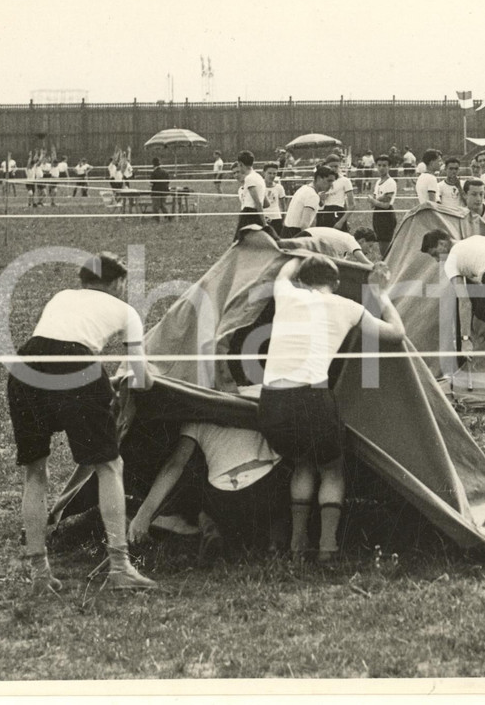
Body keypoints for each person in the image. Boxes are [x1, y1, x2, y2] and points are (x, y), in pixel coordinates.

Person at [8, 253, 157, 593]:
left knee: (35, 470)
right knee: (109, 465)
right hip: (76, 367)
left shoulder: (62, 297)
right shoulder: (126, 311)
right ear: (118, 283)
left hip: (26, 366)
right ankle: (120, 567)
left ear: (84, 280)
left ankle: (39, 572)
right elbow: (142, 379)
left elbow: (54, 345)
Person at [258, 255, 406, 561]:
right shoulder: (348, 307)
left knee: (302, 463)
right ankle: (327, 546)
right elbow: (396, 333)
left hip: (270, 403)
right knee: (331, 468)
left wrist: (301, 249)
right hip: (310, 398)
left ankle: (297, 542)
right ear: (336, 284)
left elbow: (285, 270)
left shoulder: (286, 293)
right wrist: (379, 294)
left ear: (302, 281)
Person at [128, 422, 289, 556]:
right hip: (264, 490)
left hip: (224, 500)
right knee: (288, 465)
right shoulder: (255, 397)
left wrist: (144, 514)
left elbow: (175, 464)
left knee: (192, 466)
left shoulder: (197, 412)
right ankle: (275, 539)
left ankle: (209, 526)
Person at [421, 230, 485, 356]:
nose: (437, 260)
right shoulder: (478, 238)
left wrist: (465, 339)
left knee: (477, 335)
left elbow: (464, 302)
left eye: (435, 254)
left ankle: (475, 359)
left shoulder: (451, 262)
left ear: (442, 244)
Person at [282, 165, 336, 237]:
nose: (331, 185)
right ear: (319, 178)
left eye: (332, 182)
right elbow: (304, 225)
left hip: (287, 232)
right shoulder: (312, 195)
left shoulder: (305, 188)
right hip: (296, 234)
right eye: (329, 181)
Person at [291, 226, 378, 265]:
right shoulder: (351, 240)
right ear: (362, 241)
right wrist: (377, 268)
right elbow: (363, 260)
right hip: (307, 237)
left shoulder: (344, 248)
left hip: (309, 238)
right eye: (370, 246)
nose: (370, 250)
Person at [234, 150, 269, 239]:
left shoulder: (249, 178)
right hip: (254, 213)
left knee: (239, 242)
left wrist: (264, 222)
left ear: (241, 164)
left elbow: (258, 202)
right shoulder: (258, 177)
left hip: (249, 215)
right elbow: (265, 203)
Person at [317, 154, 354, 231]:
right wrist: (319, 198)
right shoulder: (322, 180)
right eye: (331, 166)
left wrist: (341, 222)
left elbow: (352, 205)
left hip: (337, 213)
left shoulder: (345, 181)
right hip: (323, 213)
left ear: (340, 166)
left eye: (336, 166)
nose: (333, 169)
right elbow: (318, 204)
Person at [370, 154, 398, 256]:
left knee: (385, 247)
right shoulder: (378, 182)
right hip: (377, 214)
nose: (381, 168)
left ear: (389, 167)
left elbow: (386, 205)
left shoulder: (391, 182)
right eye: (379, 165)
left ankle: (389, 263)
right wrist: (377, 200)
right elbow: (372, 204)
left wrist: (374, 201)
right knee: (381, 245)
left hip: (386, 215)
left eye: (384, 165)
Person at [262, 162, 286, 235]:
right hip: (262, 218)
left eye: (274, 173)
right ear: (264, 173)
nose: (272, 176)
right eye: (269, 173)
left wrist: (283, 220)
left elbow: (283, 207)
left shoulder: (279, 187)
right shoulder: (259, 187)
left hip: (276, 219)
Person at [149, 157, 171, 221]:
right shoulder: (165, 172)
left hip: (156, 192)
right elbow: (168, 182)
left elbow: (151, 184)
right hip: (164, 191)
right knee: (163, 205)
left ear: (153, 164)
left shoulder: (154, 173)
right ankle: (168, 216)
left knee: (155, 206)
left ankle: (157, 219)